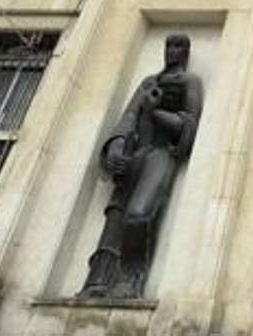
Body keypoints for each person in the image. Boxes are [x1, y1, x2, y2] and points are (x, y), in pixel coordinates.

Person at [79, 33, 203, 299]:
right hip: (136, 152)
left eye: (178, 46)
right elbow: (129, 116)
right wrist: (115, 146)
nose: (172, 50)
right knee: (116, 215)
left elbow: (188, 126)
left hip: (161, 153)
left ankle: (130, 278)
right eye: (168, 45)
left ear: (186, 51)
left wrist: (156, 112)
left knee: (138, 214)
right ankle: (98, 279)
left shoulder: (189, 82)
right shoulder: (149, 82)